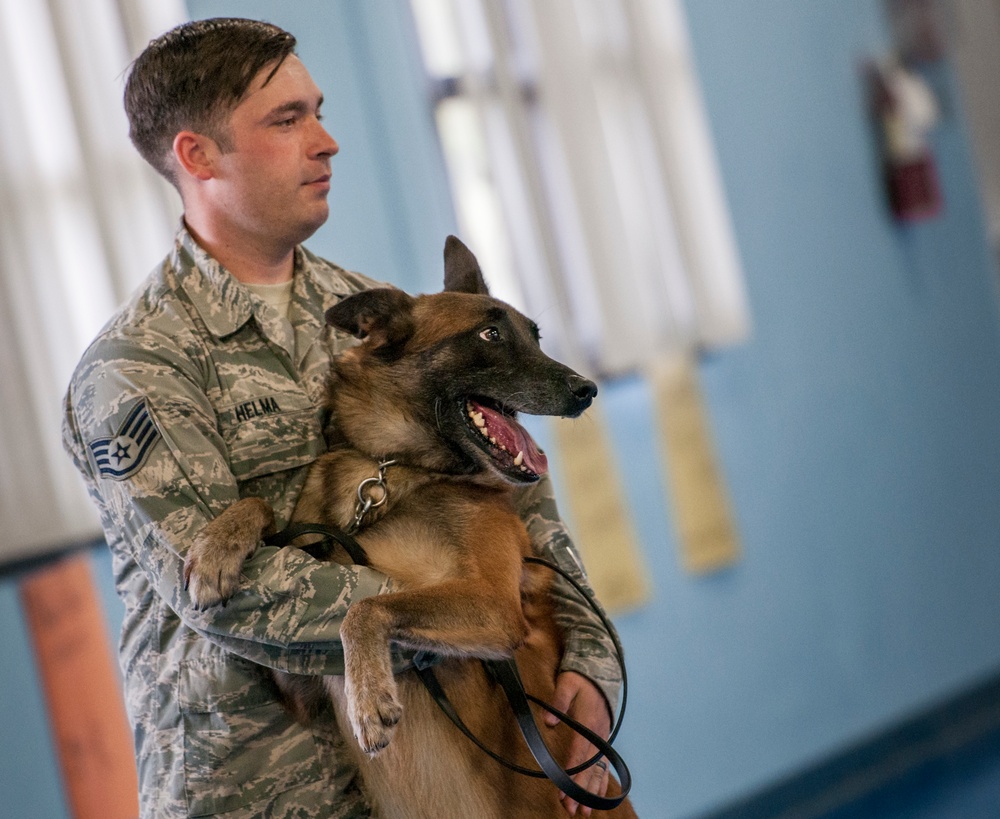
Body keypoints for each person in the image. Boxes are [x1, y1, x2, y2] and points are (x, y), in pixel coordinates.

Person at [62, 17, 621, 819]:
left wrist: (591, 662)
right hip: (257, 790)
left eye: (317, 111)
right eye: (287, 121)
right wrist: (455, 609)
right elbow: (234, 593)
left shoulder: (385, 317)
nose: (326, 141)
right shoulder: (137, 368)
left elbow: (518, 497)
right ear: (197, 155)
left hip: (434, 775)